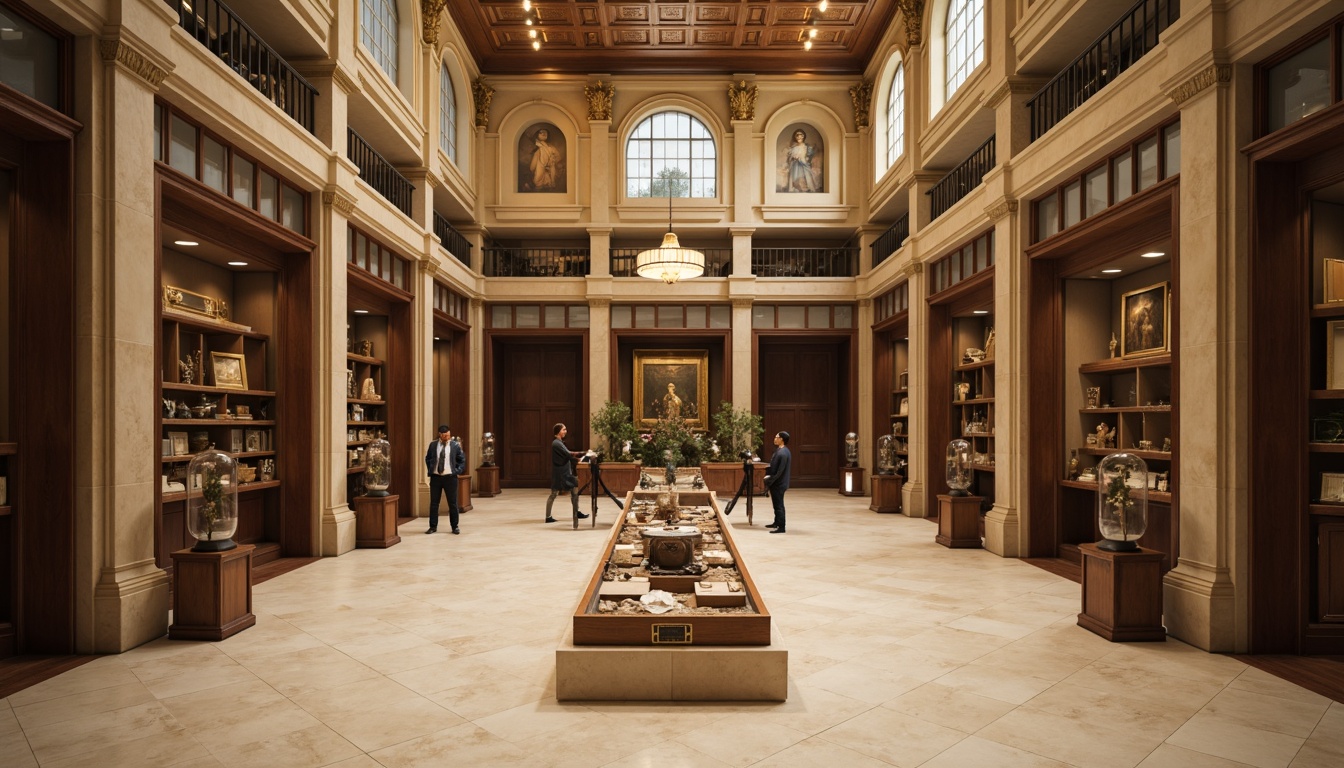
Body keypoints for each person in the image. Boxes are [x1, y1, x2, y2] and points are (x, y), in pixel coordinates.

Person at [423, 425, 466, 534]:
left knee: (452, 503)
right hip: (436, 477)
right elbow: (428, 458)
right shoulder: (433, 445)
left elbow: (462, 460)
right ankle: (433, 526)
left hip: (450, 478)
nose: (446, 437)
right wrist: (431, 469)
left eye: (447, 435)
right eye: (443, 435)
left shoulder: (455, 445)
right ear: (440, 435)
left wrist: (457, 471)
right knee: (434, 503)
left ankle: (455, 526)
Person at [546, 423, 588, 523]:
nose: (565, 431)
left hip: (564, 472)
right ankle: (548, 517)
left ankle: (576, 512)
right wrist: (584, 454)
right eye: (564, 429)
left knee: (574, 490)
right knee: (553, 494)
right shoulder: (556, 443)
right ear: (558, 431)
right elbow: (569, 454)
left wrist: (580, 456)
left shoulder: (559, 442)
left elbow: (568, 455)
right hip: (560, 473)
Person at [763, 431, 792, 533]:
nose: (774, 439)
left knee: (779, 505)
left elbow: (780, 471)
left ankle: (781, 526)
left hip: (779, 483)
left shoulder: (783, 453)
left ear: (782, 439)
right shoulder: (780, 450)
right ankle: (776, 522)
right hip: (776, 482)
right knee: (776, 504)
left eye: (777, 437)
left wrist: (770, 479)